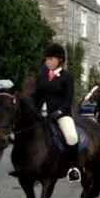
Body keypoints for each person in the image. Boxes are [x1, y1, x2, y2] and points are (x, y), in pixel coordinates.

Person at [33, 44, 80, 183]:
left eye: (51, 59)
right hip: (41, 114)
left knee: (71, 136)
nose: (48, 61)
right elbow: (37, 96)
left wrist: (58, 112)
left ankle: (73, 167)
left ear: (60, 60)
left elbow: (68, 99)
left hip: (61, 114)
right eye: (46, 59)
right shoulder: (42, 74)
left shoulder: (67, 77)